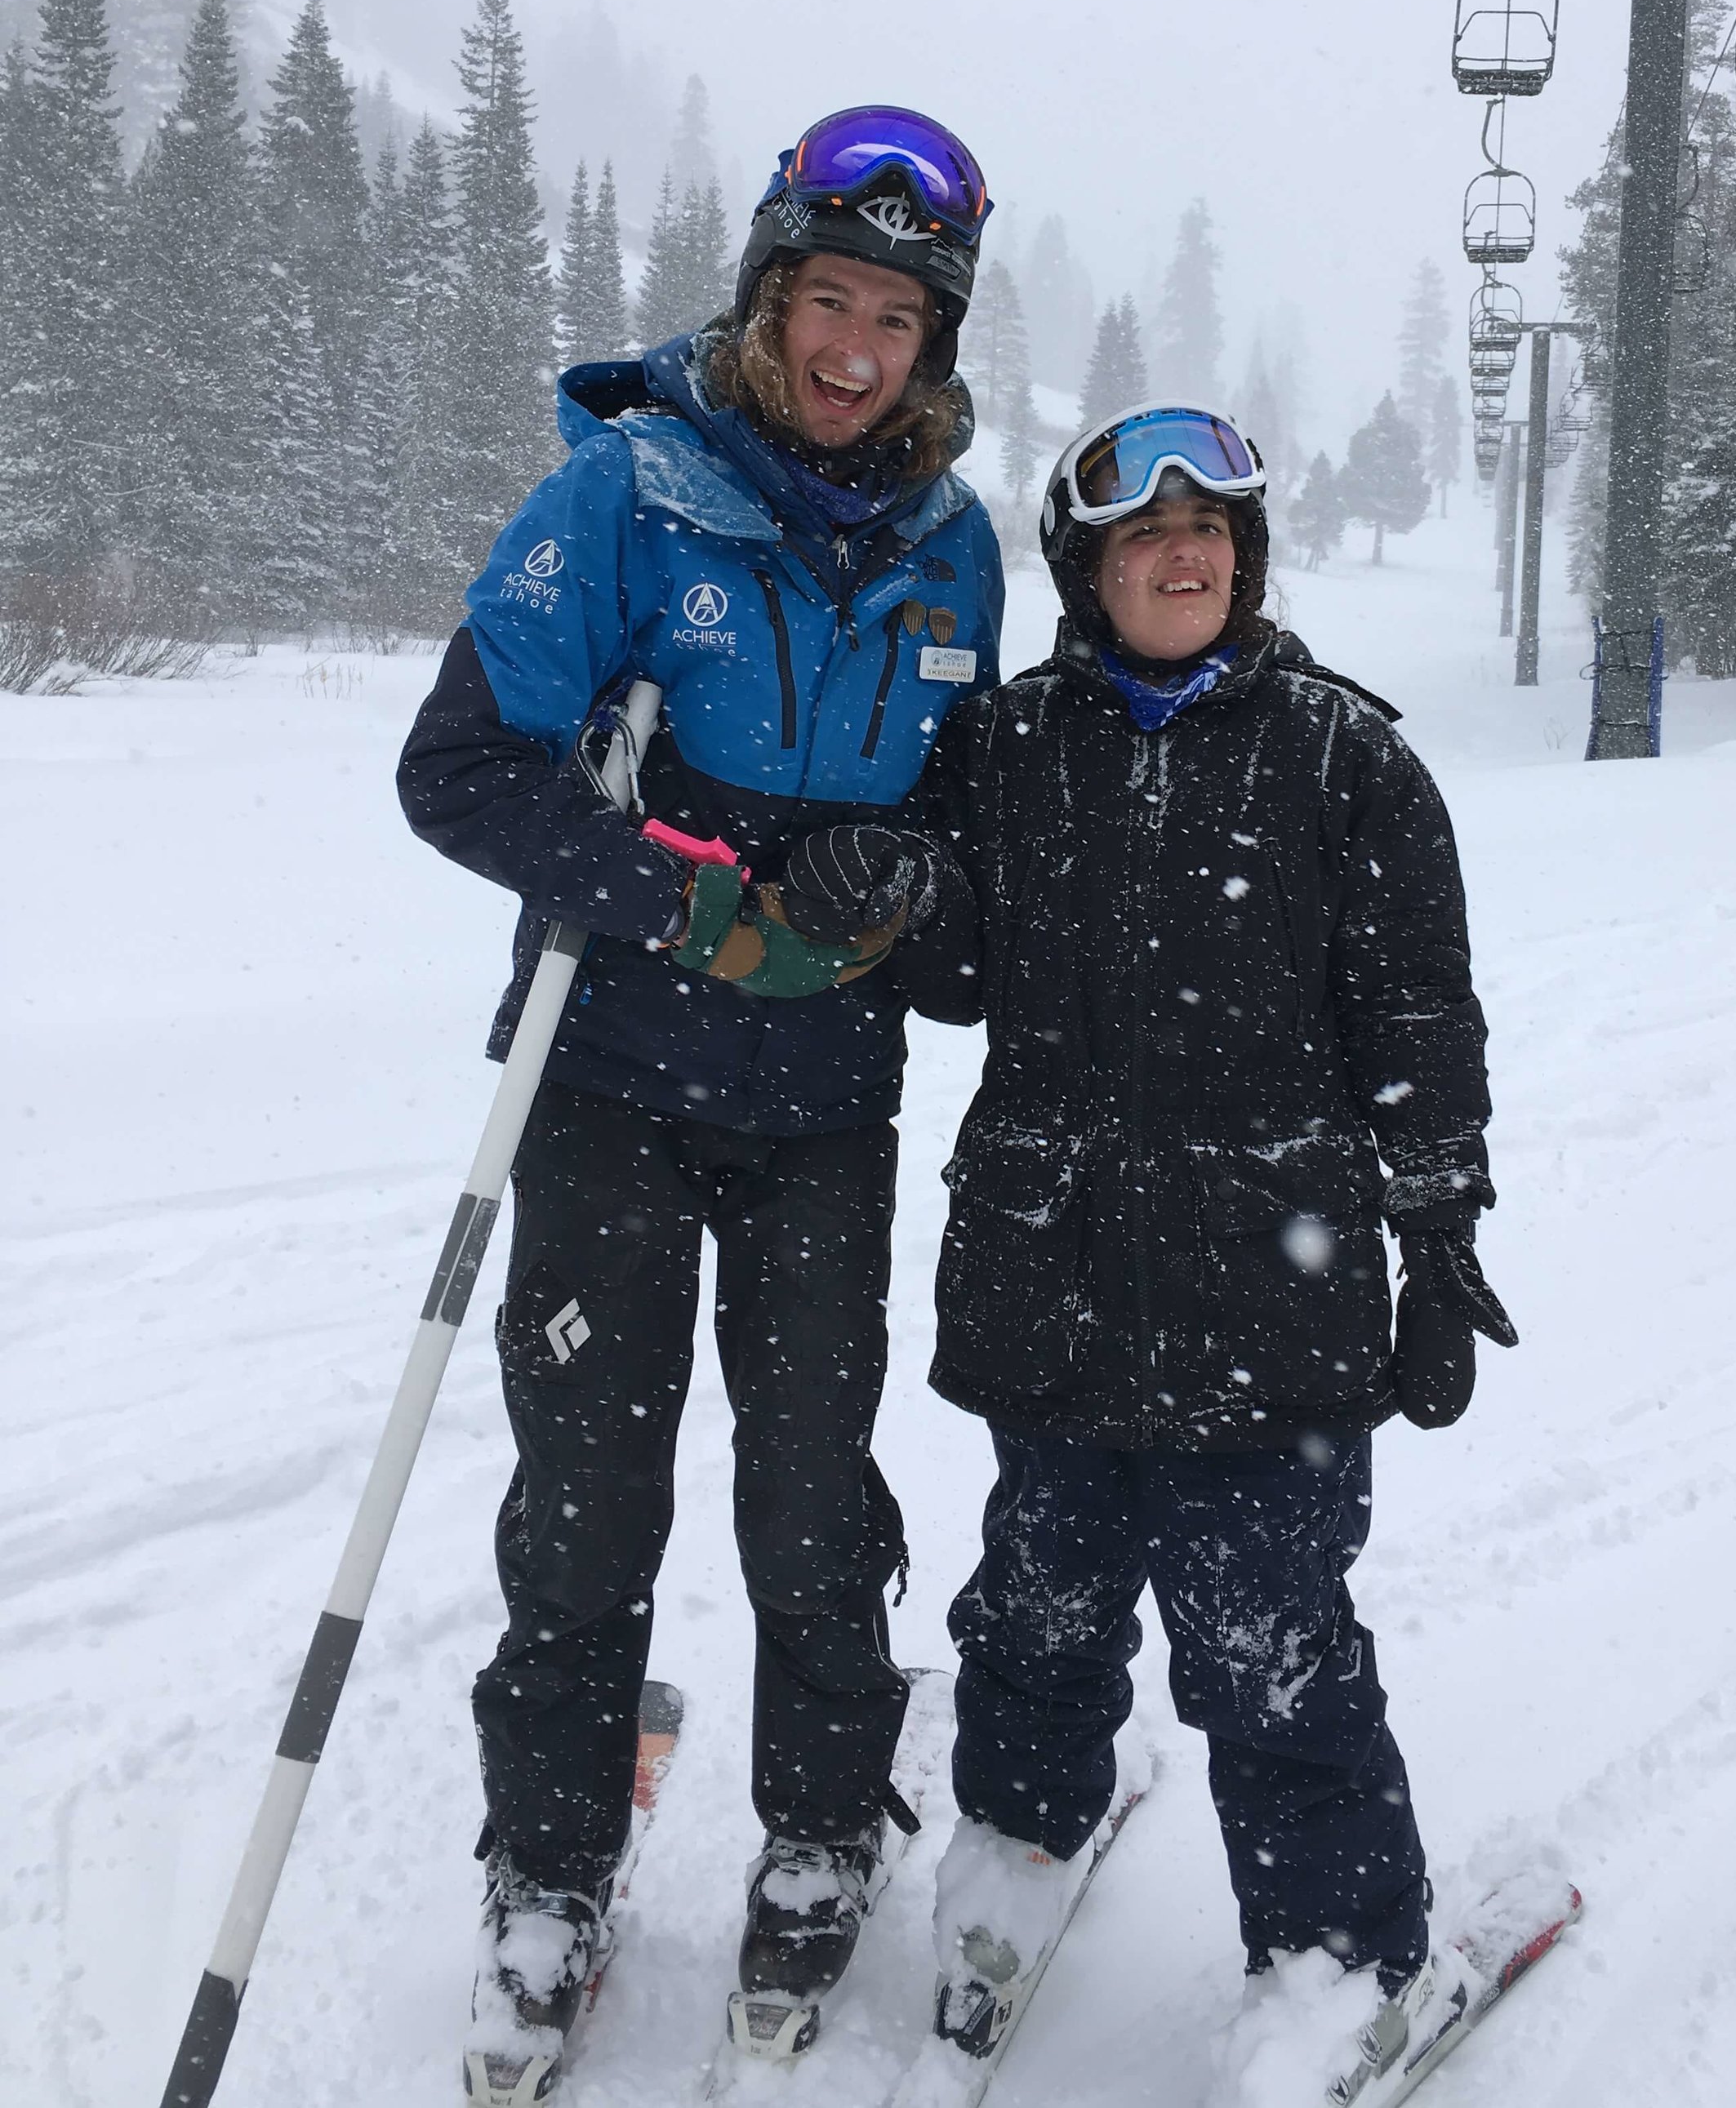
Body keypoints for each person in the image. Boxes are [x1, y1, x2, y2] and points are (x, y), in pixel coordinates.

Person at [777, 401, 1515, 2101]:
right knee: (1032, 1602)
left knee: (1266, 1637)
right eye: (1138, 538)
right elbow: (959, 964)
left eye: (1207, 535)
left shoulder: (1347, 757)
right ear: (1086, 569)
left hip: (1278, 1279)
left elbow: (1417, 1015)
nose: (1179, 558)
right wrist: (890, 878)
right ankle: (1017, 1851)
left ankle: (1337, 1955)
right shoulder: (1012, 741)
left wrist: (1439, 1230)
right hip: (1051, 1267)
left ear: (1243, 560)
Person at [395, 106, 1004, 2103]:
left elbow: (950, 827)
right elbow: (462, 772)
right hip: (606, 1085)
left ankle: (824, 1823)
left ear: (934, 342)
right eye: (828, 298)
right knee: (587, 1499)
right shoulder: (626, 491)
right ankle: (549, 1870)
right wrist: (688, 882)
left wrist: (891, 880)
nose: (855, 348)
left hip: (825, 1096)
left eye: (896, 318)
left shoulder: (952, 547)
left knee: (814, 1489)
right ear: (768, 295)